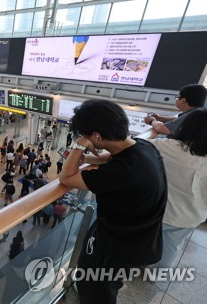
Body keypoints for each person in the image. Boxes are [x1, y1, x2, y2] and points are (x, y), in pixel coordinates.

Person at [59, 99, 167, 304]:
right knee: (92, 279)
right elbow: (111, 159)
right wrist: (88, 158)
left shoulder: (123, 172)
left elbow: (66, 178)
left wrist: (78, 146)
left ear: (96, 136)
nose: (84, 138)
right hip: (135, 235)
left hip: (118, 245)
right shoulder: (143, 147)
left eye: (85, 135)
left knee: (98, 291)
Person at [148, 109, 207, 268]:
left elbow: (134, 146)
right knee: (171, 246)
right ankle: (156, 274)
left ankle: (131, 266)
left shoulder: (165, 146)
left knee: (144, 240)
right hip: (191, 216)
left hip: (158, 211)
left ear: (186, 127)